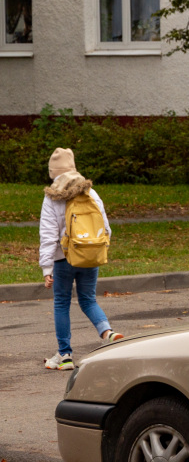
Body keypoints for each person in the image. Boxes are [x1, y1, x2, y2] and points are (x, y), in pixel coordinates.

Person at [39, 148, 122, 370]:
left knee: (62, 303)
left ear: (53, 173)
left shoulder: (52, 198)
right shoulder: (91, 193)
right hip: (90, 255)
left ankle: (65, 356)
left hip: (62, 259)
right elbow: (105, 228)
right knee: (88, 299)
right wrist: (95, 249)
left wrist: (47, 268)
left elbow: (48, 235)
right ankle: (107, 332)